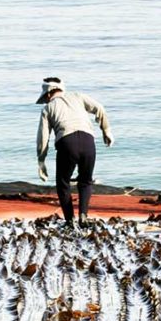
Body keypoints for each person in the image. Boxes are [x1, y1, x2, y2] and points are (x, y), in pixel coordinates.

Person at [35, 76, 113, 227]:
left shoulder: (47, 109)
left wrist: (41, 161)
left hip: (67, 143)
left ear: (48, 94)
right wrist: (106, 130)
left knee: (63, 183)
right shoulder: (78, 96)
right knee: (85, 180)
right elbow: (99, 109)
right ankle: (83, 216)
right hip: (88, 141)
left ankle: (70, 220)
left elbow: (43, 138)